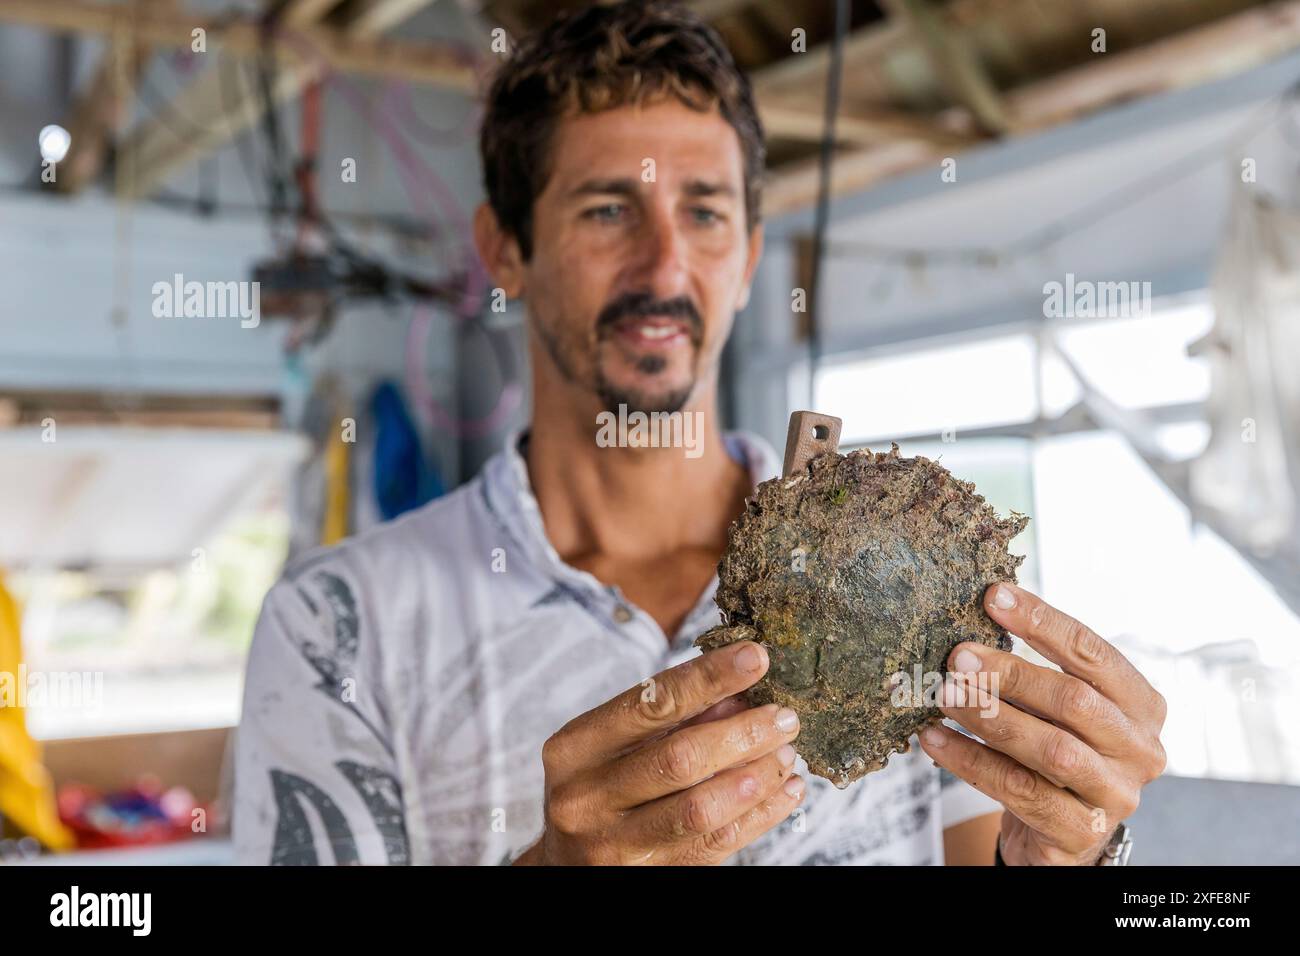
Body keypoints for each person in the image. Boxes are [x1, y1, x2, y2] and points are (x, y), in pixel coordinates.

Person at [234, 0, 1166, 866]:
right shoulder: (338, 628)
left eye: (706, 212)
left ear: (751, 255)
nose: (665, 263)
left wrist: (1064, 850)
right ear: (505, 249)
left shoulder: (913, 583)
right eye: (607, 209)